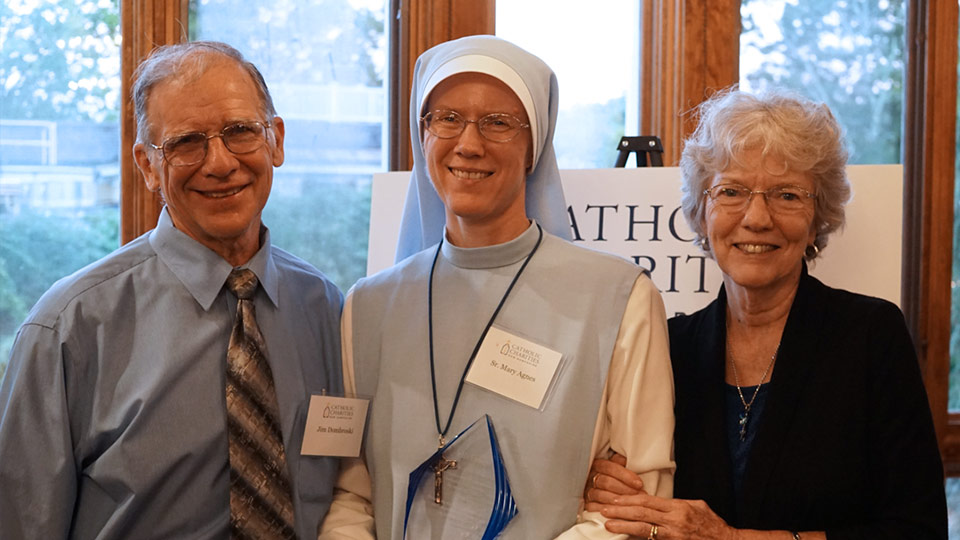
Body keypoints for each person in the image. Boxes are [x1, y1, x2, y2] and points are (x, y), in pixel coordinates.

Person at [0, 41, 361, 539]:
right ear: (147, 165)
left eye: (239, 132)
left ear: (275, 140)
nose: (219, 162)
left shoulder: (325, 308)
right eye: (186, 142)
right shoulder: (69, 329)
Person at [338, 35, 675, 539]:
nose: (468, 143)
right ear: (423, 134)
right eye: (447, 118)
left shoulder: (619, 298)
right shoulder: (367, 306)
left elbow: (635, 505)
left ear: (533, 145)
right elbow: (350, 496)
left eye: (497, 123)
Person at [583, 89, 948, 539]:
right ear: (701, 213)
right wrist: (609, 486)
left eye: (787, 195)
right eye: (731, 191)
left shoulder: (870, 336)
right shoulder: (668, 345)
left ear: (818, 219)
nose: (757, 218)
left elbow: (919, 530)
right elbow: (633, 494)